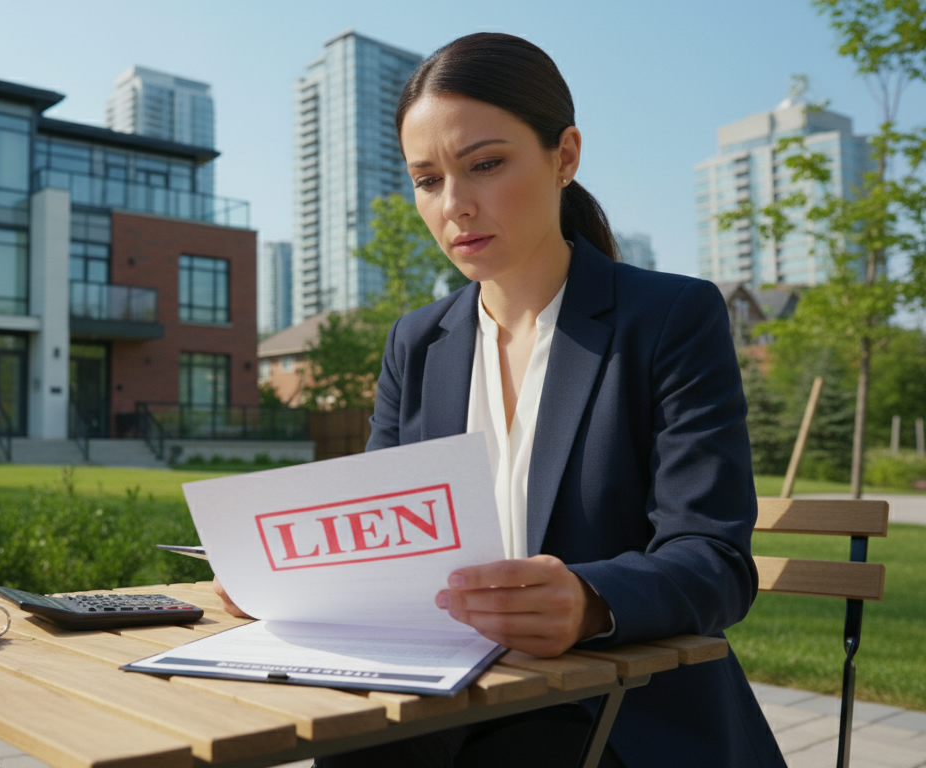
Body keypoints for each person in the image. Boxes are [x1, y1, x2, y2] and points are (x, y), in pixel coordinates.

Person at [215, 32, 786, 767]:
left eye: (485, 165)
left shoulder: (670, 319)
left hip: (619, 710)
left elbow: (715, 559)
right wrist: (290, 581)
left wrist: (590, 599)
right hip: (438, 696)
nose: (455, 205)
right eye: (427, 180)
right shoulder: (415, 345)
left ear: (565, 156)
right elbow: (376, 540)